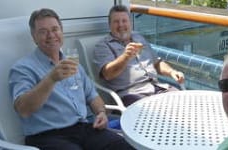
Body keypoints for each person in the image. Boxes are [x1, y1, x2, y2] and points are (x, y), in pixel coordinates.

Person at [8, 8, 134, 150]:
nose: (51, 35)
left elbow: (93, 97)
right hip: (47, 136)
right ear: (34, 37)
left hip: (84, 129)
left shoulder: (73, 64)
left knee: (124, 146)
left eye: (55, 29)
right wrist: (51, 79)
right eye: (43, 31)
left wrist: (101, 113)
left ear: (61, 32)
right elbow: (23, 109)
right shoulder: (23, 68)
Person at [93, 5, 185, 106]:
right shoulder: (103, 46)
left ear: (130, 23)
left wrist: (172, 72)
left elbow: (157, 62)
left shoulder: (138, 37)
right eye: (116, 21)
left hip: (157, 88)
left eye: (124, 21)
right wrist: (125, 57)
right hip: (132, 94)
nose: (121, 25)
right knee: (157, 112)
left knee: (183, 102)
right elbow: (108, 74)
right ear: (109, 25)